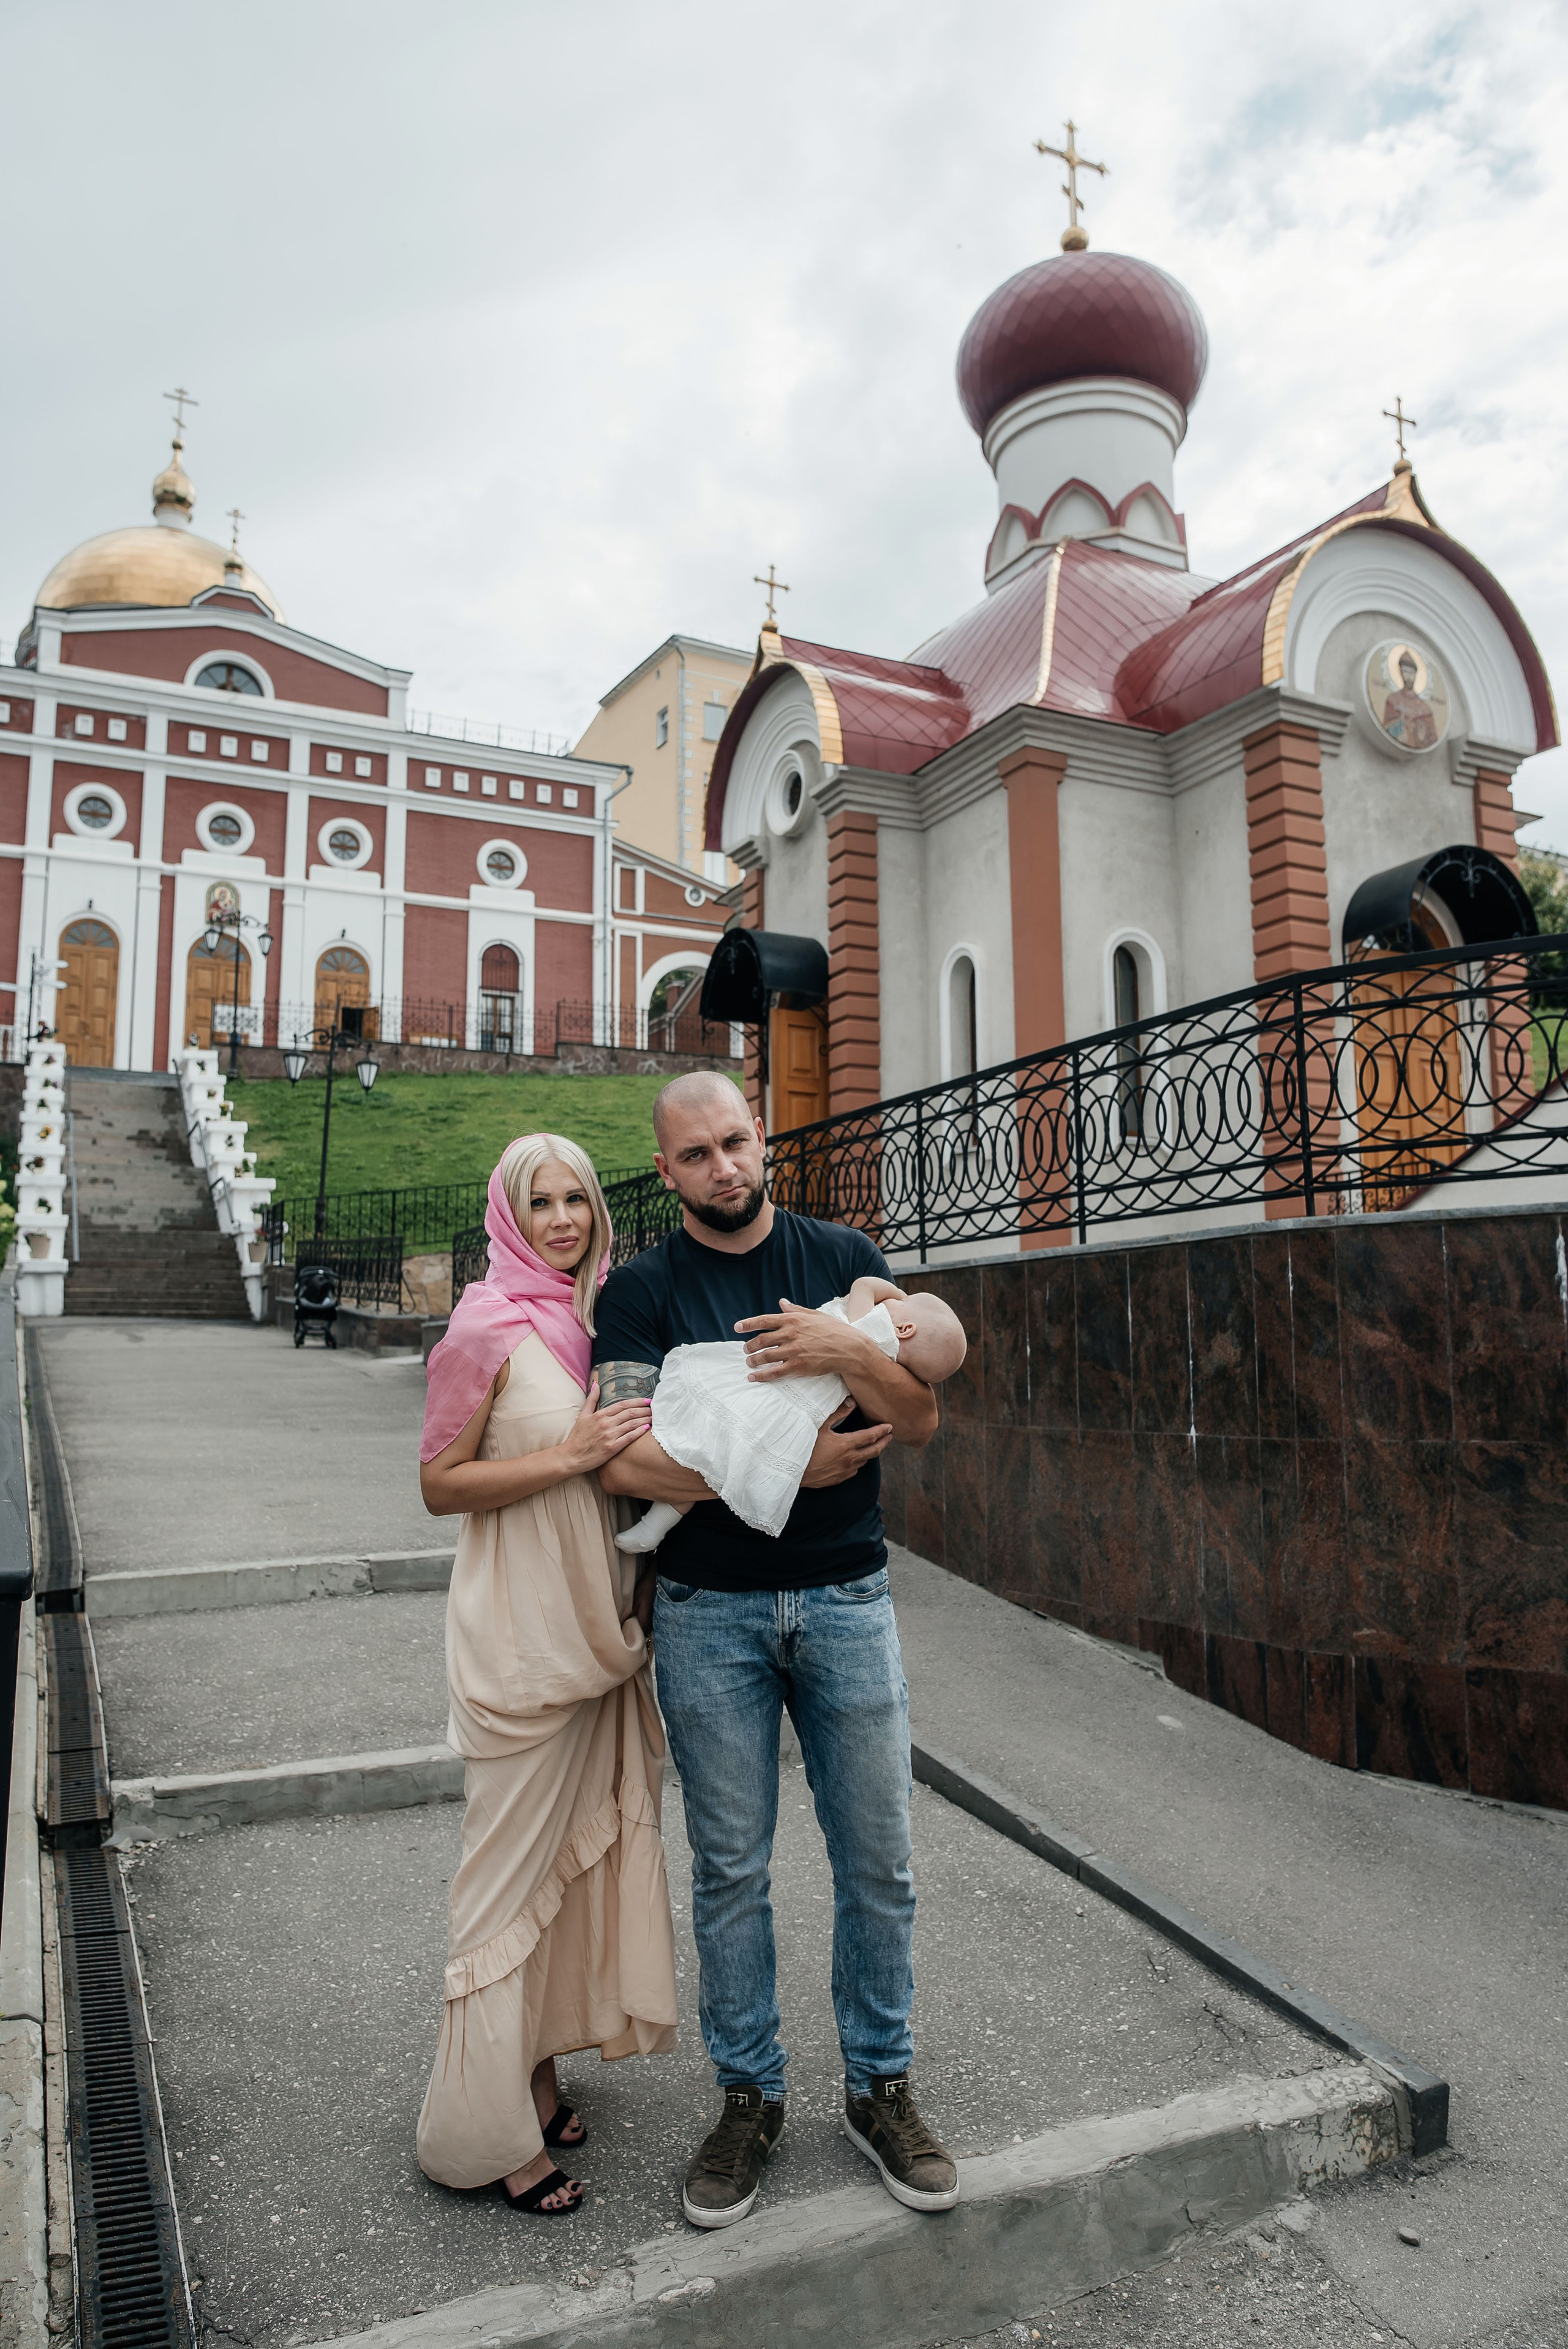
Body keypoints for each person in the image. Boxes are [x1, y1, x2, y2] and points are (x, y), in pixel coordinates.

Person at [594, 1072, 958, 2230]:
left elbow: (923, 1416)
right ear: (667, 1172)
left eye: (737, 1143)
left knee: (879, 1863)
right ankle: (748, 2097)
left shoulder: (840, 1255)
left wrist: (836, 1349)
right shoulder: (642, 1291)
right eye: (696, 1155)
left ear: (765, 1140)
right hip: (710, 1612)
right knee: (732, 1871)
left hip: (848, 1596)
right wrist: (780, 1470)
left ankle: (880, 2087)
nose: (725, 1168)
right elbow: (621, 1460)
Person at [415, 1133, 677, 2217]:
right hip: (522, 1638)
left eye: (578, 1199)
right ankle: (474, 2136)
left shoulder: (605, 1321)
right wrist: (566, 1457)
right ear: (509, 1215)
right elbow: (439, 1484)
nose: (565, 1219)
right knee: (502, 1881)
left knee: (569, 1868)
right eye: (543, 1203)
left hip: (601, 1635)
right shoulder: (484, 1325)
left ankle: (534, 2075)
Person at [616, 1276, 967, 1552]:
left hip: (774, 1392)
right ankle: (658, 1523)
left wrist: (892, 1293)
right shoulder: (888, 1362)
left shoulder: (874, 1328)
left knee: (703, 1444)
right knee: (712, 1454)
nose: (893, 1302)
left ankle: (658, 1521)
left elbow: (864, 1286)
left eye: (905, 1305)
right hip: (793, 1418)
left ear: (905, 1329)